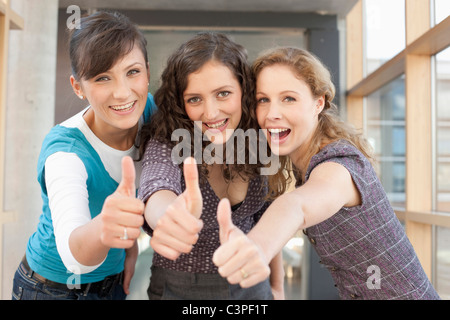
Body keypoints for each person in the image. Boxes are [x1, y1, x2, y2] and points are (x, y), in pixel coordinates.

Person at [212, 46, 441, 300]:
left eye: (289, 98)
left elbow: (297, 206)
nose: (271, 114)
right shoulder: (304, 164)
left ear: (318, 103)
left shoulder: (339, 164)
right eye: (263, 100)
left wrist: (256, 246)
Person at [11, 11, 157, 300]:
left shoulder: (150, 111)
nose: (122, 92)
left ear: (148, 73)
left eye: (132, 72)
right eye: (103, 78)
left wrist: (127, 244)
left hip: (113, 283)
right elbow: (74, 256)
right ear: (78, 87)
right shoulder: (66, 154)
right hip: (51, 289)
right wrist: (106, 226)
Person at [138, 32, 284, 300]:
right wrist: (169, 216)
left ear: (245, 90)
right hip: (180, 287)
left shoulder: (260, 141)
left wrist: (277, 285)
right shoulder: (168, 140)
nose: (211, 113)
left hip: (251, 278)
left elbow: (266, 217)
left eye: (223, 94)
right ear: (181, 103)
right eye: (195, 99)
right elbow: (156, 186)